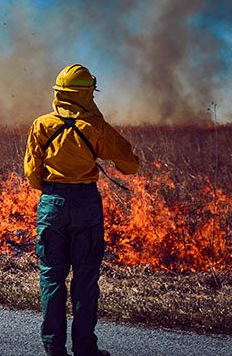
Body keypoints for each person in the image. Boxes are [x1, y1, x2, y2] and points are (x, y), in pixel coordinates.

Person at [24, 64, 139, 356]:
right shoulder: (95, 127)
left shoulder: (42, 124)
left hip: (52, 203)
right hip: (86, 204)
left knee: (51, 276)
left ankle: (53, 347)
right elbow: (130, 164)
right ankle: (85, 348)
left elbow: (32, 175)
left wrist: (55, 187)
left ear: (59, 93)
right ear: (88, 93)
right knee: (86, 278)